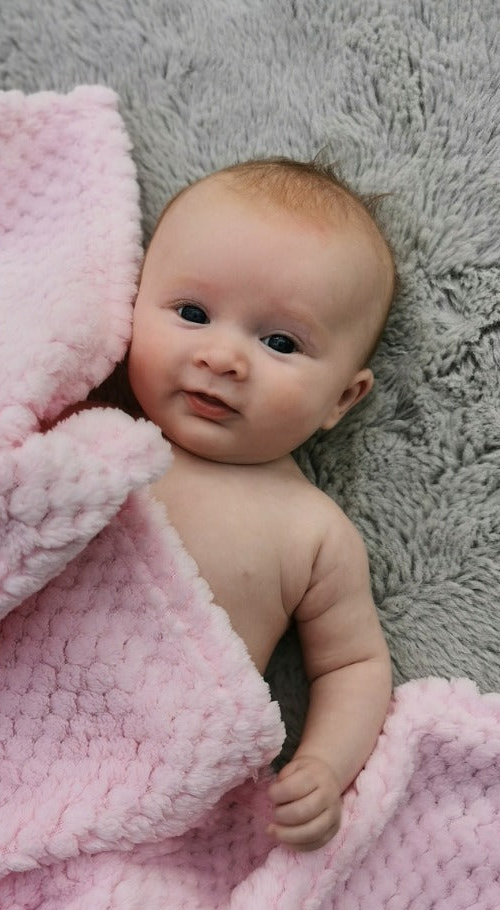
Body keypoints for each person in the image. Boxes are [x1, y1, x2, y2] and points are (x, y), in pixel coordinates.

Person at [102, 157, 396, 851]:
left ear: (342, 399)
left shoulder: (310, 531)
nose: (224, 357)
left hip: (154, 789)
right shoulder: (98, 426)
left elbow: (353, 666)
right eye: (193, 313)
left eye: (280, 342)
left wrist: (324, 767)